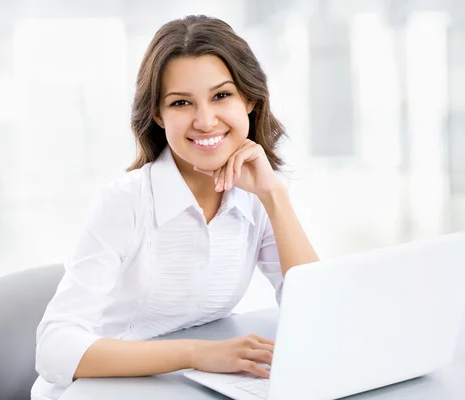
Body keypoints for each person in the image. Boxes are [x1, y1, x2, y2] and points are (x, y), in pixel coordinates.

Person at [31, 14, 318, 400]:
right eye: (181, 102)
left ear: (249, 99)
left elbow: (316, 308)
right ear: (158, 114)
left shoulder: (256, 196)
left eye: (221, 95)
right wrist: (197, 355)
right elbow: (54, 348)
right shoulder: (126, 202)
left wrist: (274, 195)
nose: (204, 120)